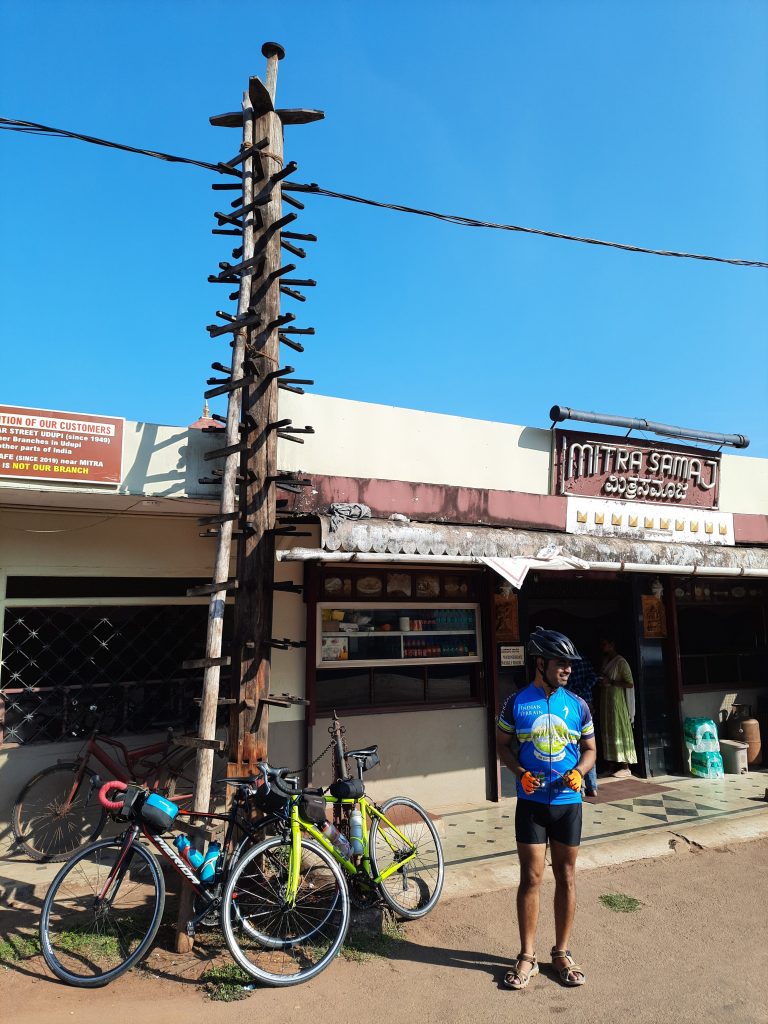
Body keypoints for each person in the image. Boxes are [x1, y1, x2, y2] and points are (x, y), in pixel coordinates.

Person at [496, 627, 596, 990]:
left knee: (566, 877)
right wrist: (519, 773)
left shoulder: (578, 705)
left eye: (570, 664)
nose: (568, 669)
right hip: (532, 806)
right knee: (531, 878)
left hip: (568, 805)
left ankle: (562, 953)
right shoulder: (516, 703)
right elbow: (502, 745)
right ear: (540, 663)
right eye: (561, 663)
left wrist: (580, 772)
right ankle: (527, 956)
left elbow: (590, 750)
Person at [597, 636, 637, 778]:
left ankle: (626, 766)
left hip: (617, 702)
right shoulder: (606, 661)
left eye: (605, 644)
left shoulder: (621, 662)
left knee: (619, 729)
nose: (603, 647)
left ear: (612, 644)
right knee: (609, 730)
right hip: (606, 700)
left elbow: (630, 683)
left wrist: (612, 682)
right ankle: (611, 765)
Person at [566, 653, 600, 797]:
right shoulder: (583, 660)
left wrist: (577, 692)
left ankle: (580, 786)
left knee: (576, 745)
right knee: (588, 745)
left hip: (571, 705)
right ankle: (592, 786)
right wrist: (585, 691)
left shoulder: (563, 663)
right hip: (586, 702)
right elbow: (594, 677)